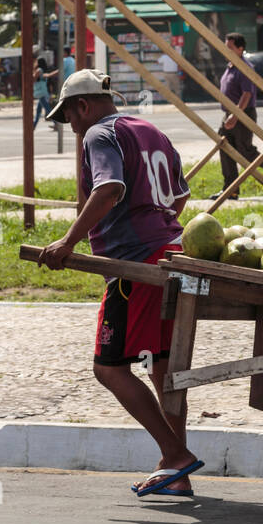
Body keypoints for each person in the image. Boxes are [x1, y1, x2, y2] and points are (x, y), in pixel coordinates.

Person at [37, 70, 202, 498]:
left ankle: (175, 454)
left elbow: (109, 186)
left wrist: (68, 241)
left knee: (109, 368)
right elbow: (179, 195)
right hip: (174, 256)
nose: (71, 127)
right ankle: (175, 471)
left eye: (69, 116)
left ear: (84, 106)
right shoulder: (151, 130)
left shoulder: (98, 134)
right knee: (162, 368)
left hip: (135, 269)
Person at [214, 32, 263, 201]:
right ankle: (230, 189)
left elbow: (247, 94)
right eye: (226, 48)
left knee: (245, 151)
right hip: (229, 114)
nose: (227, 51)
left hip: (242, 114)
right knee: (225, 148)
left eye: (230, 48)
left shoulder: (244, 68)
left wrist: (236, 115)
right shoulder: (230, 66)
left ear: (240, 49)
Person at [33, 57, 58, 128]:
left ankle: (56, 123)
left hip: (41, 93)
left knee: (48, 109)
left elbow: (33, 79)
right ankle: (34, 125)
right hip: (43, 92)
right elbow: (48, 76)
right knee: (39, 110)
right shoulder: (43, 70)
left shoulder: (39, 70)